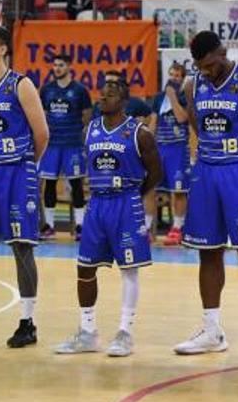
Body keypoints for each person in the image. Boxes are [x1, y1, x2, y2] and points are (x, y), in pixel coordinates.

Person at [174, 32, 238, 359]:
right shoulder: (193, 86)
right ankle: (211, 330)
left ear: (224, 52)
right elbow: (196, 125)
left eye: (211, 64)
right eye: (200, 67)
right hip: (207, 171)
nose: (207, 71)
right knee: (208, 252)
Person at [53, 77, 162, 358]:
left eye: (110, 95)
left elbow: (156, 172)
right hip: (98, 205)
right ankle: (87, 332)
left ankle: (125, 332)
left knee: (129, 269)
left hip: (126, 203)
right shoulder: (90, 130)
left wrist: (136, 195)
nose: (102, 99)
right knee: (85, 268)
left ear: (124, 100)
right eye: (101, 95)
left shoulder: (139, 133)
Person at [0, 27, 49, 347]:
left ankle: (28, 322)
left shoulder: (20, 84)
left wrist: (25, 164)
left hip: (15, 172)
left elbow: (42, 134)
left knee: (21, 246)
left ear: (2, 50)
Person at [38, 53, 91, 240]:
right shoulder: (46, 90)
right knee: (50, 184)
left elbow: (86, 115)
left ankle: (80, 226)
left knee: (76, 184)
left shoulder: (79, 90)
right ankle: (49, 227)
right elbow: (42, 115)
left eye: (60, 65)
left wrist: (76, 132)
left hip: (72, 145)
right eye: (55, 65)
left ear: (69, 66)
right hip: (51, 145)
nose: (57, 68)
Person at [150, 61, 190, 245]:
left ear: (182, 79)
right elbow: (153, 123)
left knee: (179, 190)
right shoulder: (158, 98)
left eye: (177, 75)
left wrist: (173, 97)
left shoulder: (185, 96)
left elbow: (182, 118)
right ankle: (148, 228)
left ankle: (177, 227)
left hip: (178, 148)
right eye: (171, 74)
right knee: (152, 190)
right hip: (160, 148)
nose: (173, 78)